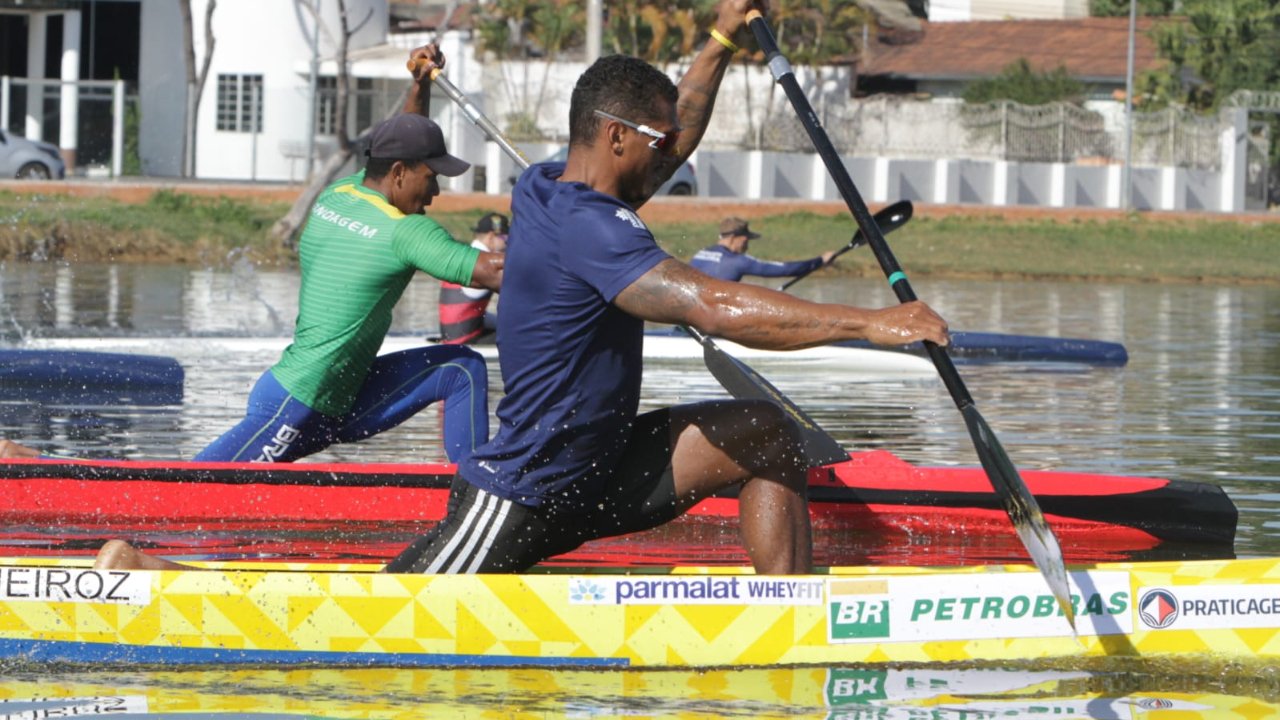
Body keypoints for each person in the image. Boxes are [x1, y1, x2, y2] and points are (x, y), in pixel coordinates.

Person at [94, 2, 947, 574]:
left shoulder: (551, 182)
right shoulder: (586, 223)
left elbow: (677, 127)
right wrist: (870, 325)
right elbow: (712, 305)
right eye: (655, 142)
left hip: (604, 466)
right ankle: (157, 571)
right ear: (615, 138)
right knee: (389, 616)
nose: (671, 155)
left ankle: (790, 622)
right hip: (528, 488)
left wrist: (721, 40)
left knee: (764, 432)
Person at [0, 49, 498, 467]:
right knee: (191, 492)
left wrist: (417, 86)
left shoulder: (341, 194)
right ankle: (37, 466)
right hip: (296, 404)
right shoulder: (406, 232)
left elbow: (401, 140)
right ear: (398, 175)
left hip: (345, 401)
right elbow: (494, 273)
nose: (435, 190)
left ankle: (466, 493)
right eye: (431, 176)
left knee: (460, 369)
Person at [690, 216, 836, 282]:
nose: (747, 246)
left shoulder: (700, 254)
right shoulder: (738, 261)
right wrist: (820, 261)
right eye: (746, 240)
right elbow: (784, 269)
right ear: (735, 237)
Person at [437, 212, 508, 344]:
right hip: (465, 341)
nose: (508, 242)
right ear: (491, 237)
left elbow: (474, 312)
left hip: (452, 336)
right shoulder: (485, 267)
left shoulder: (466, 256)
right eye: (505, 238)